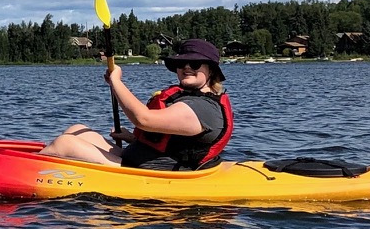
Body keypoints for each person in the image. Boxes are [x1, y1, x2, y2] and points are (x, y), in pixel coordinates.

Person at [41, 38, 235, 170]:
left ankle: (23, 172)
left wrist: (116, 82)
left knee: (64, 144)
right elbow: (177, 145)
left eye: (194, 64)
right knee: (78, 130)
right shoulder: (191, 99)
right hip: (137, 159)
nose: (186, 68)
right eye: (180, 64)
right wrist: (132, 139)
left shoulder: (203, 109)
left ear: (211, 71)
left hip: (151, 174)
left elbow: (144, 119)